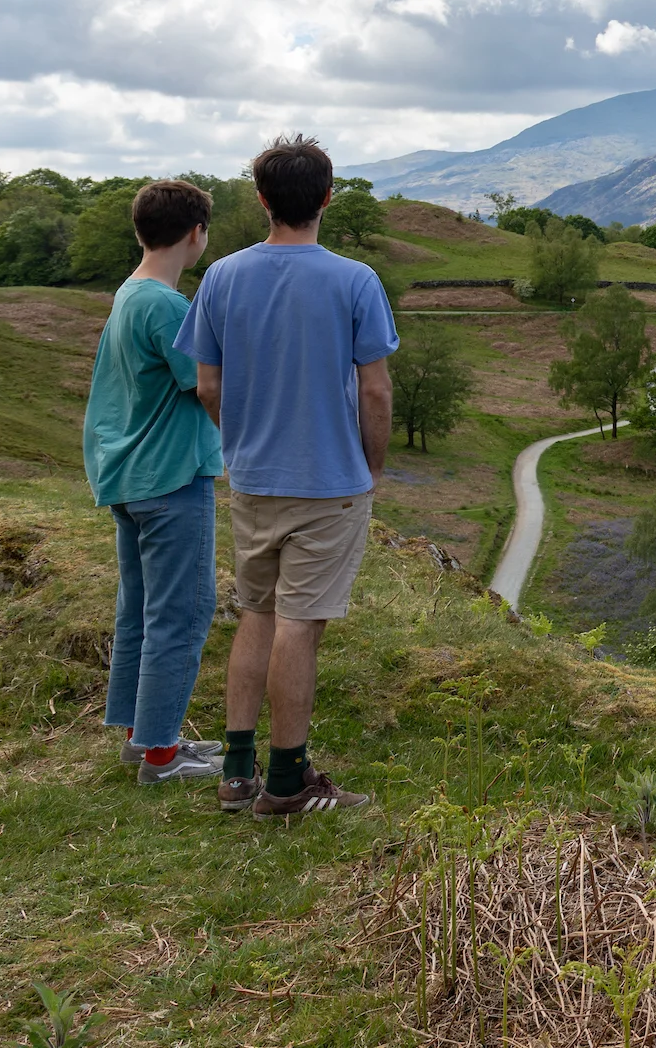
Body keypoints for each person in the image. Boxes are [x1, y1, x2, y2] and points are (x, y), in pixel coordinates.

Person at [178, 136, 396, 818]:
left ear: (263, 199)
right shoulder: (355, 279)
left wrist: (237, 440)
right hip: (329, 482)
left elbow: (206, 382)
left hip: (252, 478)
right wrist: (373, 467)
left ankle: (236, 773)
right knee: (300, 625)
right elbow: (377, 393)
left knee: (258, 615)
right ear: (328, 197)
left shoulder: (222, 277)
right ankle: (286, 782)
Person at [85, 179, 226, 786]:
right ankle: (163, 756)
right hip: (170, 478)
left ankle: (140, 738)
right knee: (184, 612)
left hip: (127, 476)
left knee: (140, 611)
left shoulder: (129, 293)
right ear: (196, 234)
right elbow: (207, 384)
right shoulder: (168, 306)